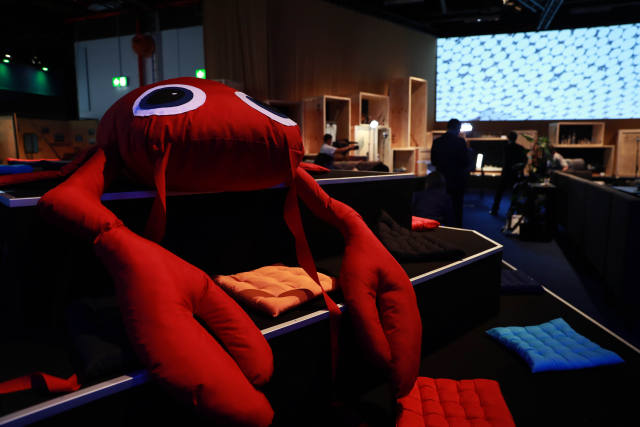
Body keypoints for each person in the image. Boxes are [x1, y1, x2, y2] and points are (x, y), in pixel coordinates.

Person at [431, 119, 470, 227]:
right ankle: (458, 229)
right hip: (457, 179)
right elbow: (465, 162)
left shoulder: (437, 142)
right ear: (457, 128)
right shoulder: (460, 142)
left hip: (441, 179)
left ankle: (442, 228)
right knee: (457, 207)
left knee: (441, 206)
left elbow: (433, 161)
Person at [490, 131, 528, 215]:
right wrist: (519, 168)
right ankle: (512, 211)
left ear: (508, 138)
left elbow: (502, 160)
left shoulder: (505, 147)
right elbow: (525, 160)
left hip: (506, 173)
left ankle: (495, 209)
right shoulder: (520, 148)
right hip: (515, 174)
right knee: (515, 193)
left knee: (499, 192)